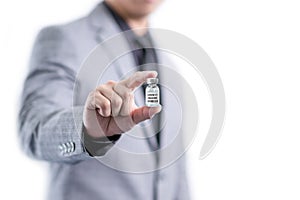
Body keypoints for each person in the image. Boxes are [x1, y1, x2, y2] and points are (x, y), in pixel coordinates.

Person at [18, 0, 190, 199]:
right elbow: (34, 129)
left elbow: (176, 176)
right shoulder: (63, 39)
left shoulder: (171, 66)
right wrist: (89, 133)